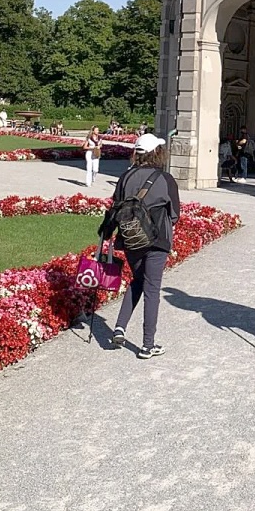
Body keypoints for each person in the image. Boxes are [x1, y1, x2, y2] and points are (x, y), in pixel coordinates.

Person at [106, 133, 180, 359]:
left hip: (131, 238)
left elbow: (115, 206)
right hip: (157, 240)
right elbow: (175, 214)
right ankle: (148, 344)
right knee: (152, 288)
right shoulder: (165, 179)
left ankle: (119, 327)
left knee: (138, 280)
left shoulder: (125, 178)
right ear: (157, 152)